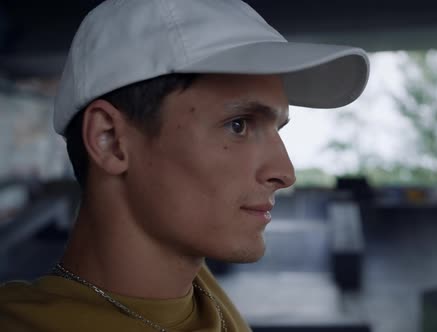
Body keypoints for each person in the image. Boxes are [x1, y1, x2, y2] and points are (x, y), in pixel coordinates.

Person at [0, 0, 369, 331]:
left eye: (277, 128)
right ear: (110, 140)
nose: (285, 173)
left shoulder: (196, 292)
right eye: (238, 125)